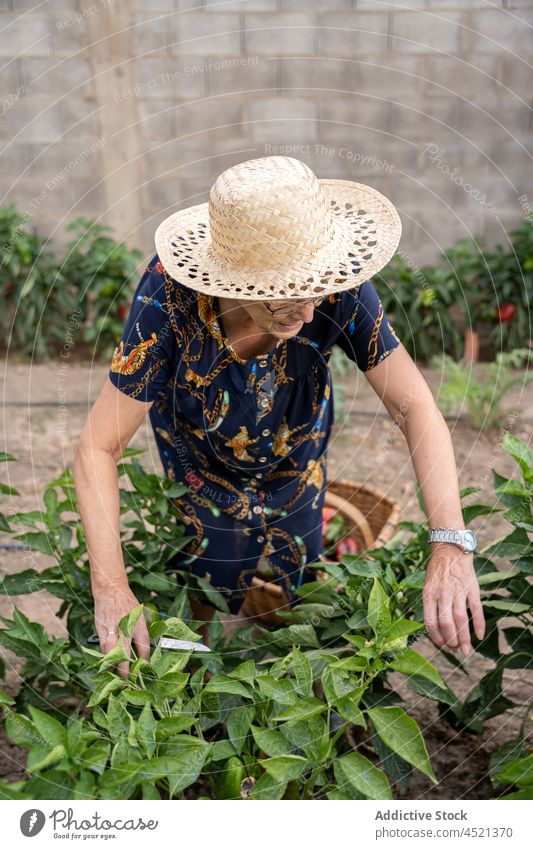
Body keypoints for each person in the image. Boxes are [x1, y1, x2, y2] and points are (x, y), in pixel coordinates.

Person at [73, 155, 485, 679]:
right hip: (200, 462)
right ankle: (189, 684)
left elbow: (414, 405)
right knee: (204, 581)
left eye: (316, 291)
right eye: (285, 297)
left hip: (298, 456)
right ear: (230, 280)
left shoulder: (334, 278)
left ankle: (309, 696)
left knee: (307, 588)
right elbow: (97, 447)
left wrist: (450, 541)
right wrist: (111, 585)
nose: (311, 312)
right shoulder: (168, 300)